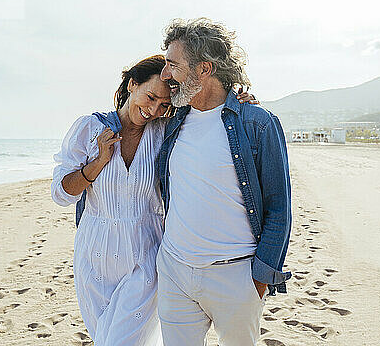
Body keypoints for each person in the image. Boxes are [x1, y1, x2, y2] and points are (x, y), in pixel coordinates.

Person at [51, 54, 256, 346]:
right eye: (150, 97)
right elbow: (61, 193)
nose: (154, 110)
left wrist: (237, 106)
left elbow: (208, 125)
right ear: (132, 85)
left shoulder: (164, 133)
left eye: (164, 105)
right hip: (93, 258)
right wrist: (96, 164)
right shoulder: (89, 129)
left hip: (145, 253)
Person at [156, 18, 292, 346]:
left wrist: (260, 278)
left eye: (172, 65)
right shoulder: (171, 123)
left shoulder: (257, 124)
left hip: (236, 277)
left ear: (204, 69)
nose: (165, 76)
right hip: (174, 271)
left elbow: (279, 208)